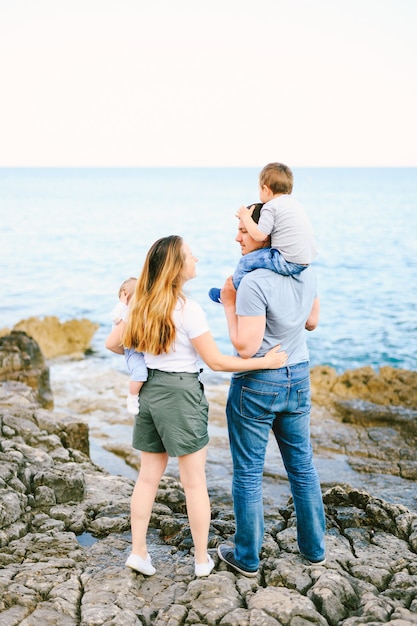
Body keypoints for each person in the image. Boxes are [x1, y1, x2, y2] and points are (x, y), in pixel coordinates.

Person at [105, 235, 288, 578]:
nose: (197, 259)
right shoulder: (188, 310)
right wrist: (264, 362)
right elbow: (217, 363)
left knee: (147, 479)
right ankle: (202, 559)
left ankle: (138, 552)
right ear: (177, 267)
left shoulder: (141, 305)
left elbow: (113, 343)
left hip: (151, 391)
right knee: (194, 483)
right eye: (191, 255)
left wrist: (139, 353)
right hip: (181, 394)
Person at [216, 205, 326, 576]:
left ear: (266, 235)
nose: (238, 236)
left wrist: (230, 305)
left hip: (259, 383)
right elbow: (311, 322)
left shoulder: (254, 281)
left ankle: (247, 558)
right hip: (298, 376)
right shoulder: (308, 274)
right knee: (303, 467)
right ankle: (314, 551)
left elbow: (246, 347)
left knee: (248, 472)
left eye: (244, 231)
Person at [209, 162, 317, 303]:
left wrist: (246, 217)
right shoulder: (294, 204)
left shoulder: (271, 207)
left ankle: (233, 293)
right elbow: (312, 323)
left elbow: (260, 235)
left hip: (286, 260)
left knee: (245, 261)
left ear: (265, 189)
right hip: (305, 260)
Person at [110, 277, 147, 415]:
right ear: (125, 294)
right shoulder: (122, 310)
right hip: (131, 350)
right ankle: (132, 396)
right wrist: (122, 303)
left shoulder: (140, 310)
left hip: (141, 347)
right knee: (140, 373)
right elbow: (115, 317)